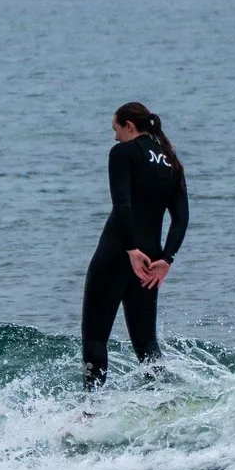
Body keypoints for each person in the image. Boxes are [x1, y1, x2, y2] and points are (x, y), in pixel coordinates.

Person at [82, 101, 188, 387]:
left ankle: (90, 411)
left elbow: (123, 204)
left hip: (118, 253)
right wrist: (167, 259)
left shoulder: (122, 152)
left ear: (129, 126)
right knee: (146, 342)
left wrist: (130, 249)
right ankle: (164, 401)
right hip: (152, 261)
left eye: (116, 129)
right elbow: (181, 219)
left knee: (95, 338)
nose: (115, 137)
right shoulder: (171, 161)